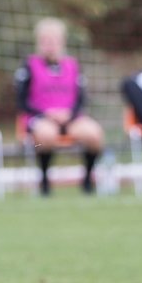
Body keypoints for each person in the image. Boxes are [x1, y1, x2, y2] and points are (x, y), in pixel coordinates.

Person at [15, 17, 104, 195]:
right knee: (46, 135)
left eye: (54, 41)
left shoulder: (72, 65)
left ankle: (87, 180)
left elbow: (81, 98)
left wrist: (69, 114)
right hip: (40, 118)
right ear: (39, 42)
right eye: (46, 41)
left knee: (94, 134)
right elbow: (21, 101)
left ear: (62, 42)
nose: (50, 45)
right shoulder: (29, 65)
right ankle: (45, 182)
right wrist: (47, 113)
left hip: (70, 118)